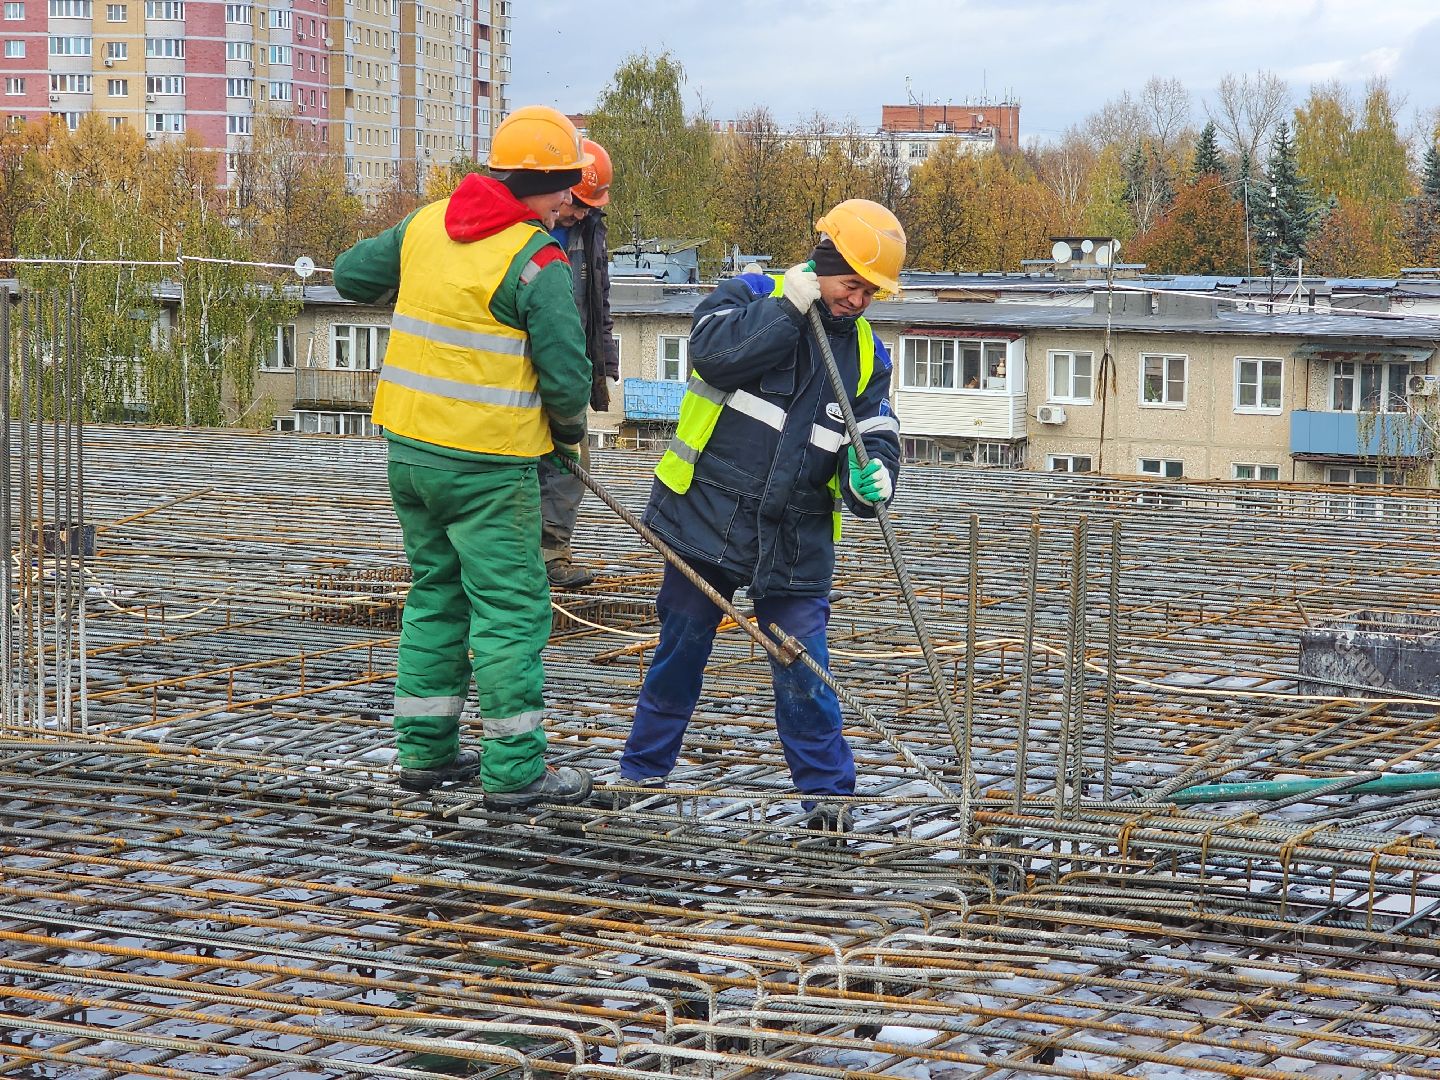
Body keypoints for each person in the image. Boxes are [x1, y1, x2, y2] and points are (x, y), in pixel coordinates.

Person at [332, 105, 595, 810]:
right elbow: (568, 378)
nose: (571, 201)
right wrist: (566, 436)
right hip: (487, 467)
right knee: (509, 613)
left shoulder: (426, 223)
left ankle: (425, 754)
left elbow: (350, 275)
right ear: (538, 184)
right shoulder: (535, 260)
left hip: (409, 456)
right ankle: (514, 772)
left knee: (436, 598)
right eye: (565, 187)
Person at [617, 199, 906, 832]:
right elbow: (713, 355)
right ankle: (641, 774)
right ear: (823, 262)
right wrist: (785, 310)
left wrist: (875, 474)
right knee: (681, 648)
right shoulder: (750, 295)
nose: (857, 300)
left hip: (795, 538)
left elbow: (876, 429)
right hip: (706, 517)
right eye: (850, 283)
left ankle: (829, 801)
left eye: (869, 292)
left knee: (804, 667)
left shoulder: (867, 355)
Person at [537, 138, 619, 590]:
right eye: (579, 203)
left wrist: (602, 360)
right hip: (521, 367)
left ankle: (551, 554)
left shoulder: (589, 231)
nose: (582, 212)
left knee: (571, 459)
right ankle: (516, 556)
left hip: (569, 363)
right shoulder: (522, 229)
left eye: (591, 206)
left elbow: (598, 300)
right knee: (520, 463)